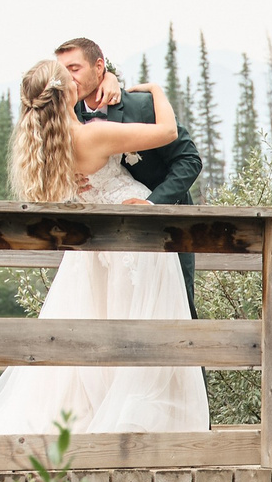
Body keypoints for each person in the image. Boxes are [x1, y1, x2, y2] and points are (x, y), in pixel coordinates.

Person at [0, 58, 211, 436]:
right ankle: (133, 424)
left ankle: (99, 418)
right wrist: (155, 89)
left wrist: (109, 76)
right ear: (69, 92)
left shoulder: (50, 144)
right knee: (142, 330)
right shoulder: (93, 136)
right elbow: (168, 131)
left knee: (98, 326)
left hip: (94, 248)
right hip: (132, 242)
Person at [56, 36, 203, 316]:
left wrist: (151, 204)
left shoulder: (141, 107)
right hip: (98, 236)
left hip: (164, 226)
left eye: (74, 68)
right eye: (62, 70)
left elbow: (189, 160)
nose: (67, 77)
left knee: (176, 311)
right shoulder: (66, 114)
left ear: (99, 67)